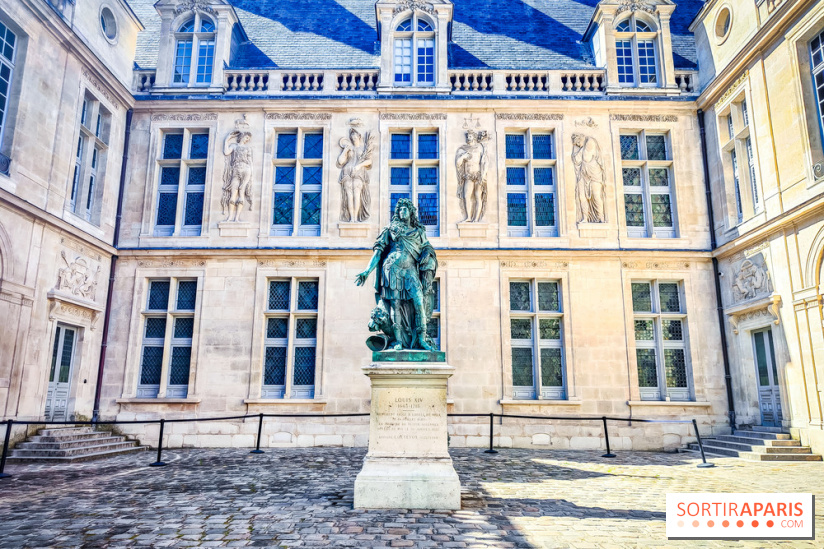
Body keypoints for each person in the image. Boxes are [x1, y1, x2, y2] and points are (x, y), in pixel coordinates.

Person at [356, 198, 437, 351]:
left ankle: (421, 339)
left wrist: (427, 253)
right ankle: (398, 341)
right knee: (396, 306)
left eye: (405, 209)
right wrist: (367, 271)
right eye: (399, 209)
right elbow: (378, 252)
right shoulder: (390, 229)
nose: (401, 211)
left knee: (419, 303)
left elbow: (427, 247)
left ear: (411, 212)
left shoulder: (419, 231)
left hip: (410, 271)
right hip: (392, 270)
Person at [337, 127, 374, 222]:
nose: (353, 136)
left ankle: (356, 218)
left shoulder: (363, 149)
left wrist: (359, 166)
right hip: (346, 174)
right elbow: (341, 161)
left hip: (359, 174)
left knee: (357, 195)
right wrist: (345, 150)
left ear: (359, 136)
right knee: (349, 196)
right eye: (351, 134)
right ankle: (352, 219)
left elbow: (369, 161)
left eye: (354, 134)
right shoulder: (349, 148)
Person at [571, 133, 606, 223]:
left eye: (578, 143)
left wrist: (579, 152)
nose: (578, 145)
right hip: (583, 174)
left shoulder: (590, 141)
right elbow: (576, 160)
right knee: (581, 196)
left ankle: (600, 217)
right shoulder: (582, 147)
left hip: (594, 174)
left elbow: (586, 157)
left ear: (581, 138)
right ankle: (585, 218)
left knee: (596, 196)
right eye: (576, 144)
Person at [455, 130, 488, 222]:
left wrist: (483, 174)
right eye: (467, 136)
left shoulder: (479, 148)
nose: (468, 138)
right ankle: (468, 217)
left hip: (478, 175)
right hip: (468, 176)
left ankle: (476, 218)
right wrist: (462, 156)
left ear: (473, 137)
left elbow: (484, 162)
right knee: (466, 196)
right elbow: (458, 163)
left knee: (478, 196)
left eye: (470, 136)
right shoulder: (463, 149)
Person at [221, 131, 253, 222]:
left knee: (241, 191)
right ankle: (230, 217)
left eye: (249, 139)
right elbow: (226, 152)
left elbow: (250, 162)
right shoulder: (234, 146)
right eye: (247, 138)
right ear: (242, 136)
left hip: (246, 169)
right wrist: (227, 140)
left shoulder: (248, 148)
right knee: (233, 192)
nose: (247, 140)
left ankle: (237, 218)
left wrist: (251, 175)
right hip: (236, 169)